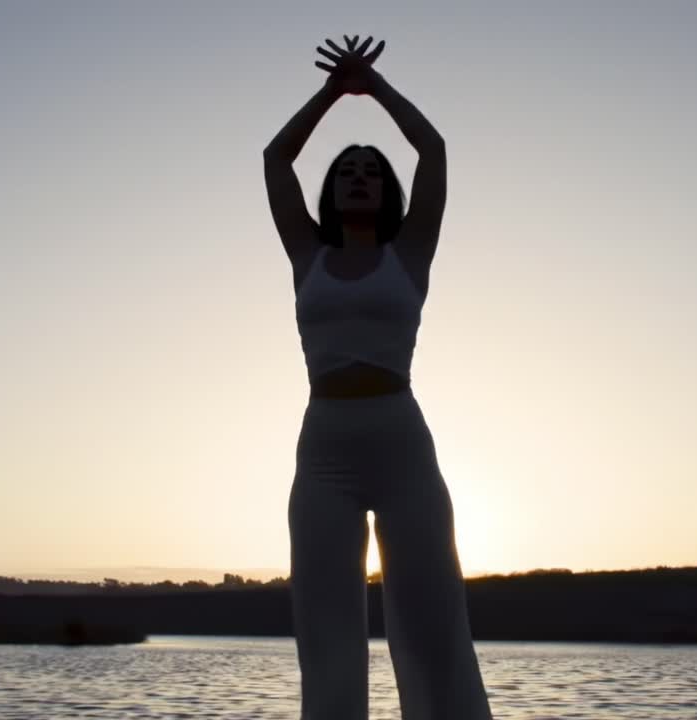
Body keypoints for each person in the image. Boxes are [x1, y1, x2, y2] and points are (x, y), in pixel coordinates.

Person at [263, 35, 494, 720]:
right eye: (346, 171)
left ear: (387, 190)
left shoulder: (410, 251)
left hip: (401, 443)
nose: (359, 176)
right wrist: (332, 94)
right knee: (326, 629)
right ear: (330, 192)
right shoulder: (306, 253)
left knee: (431, 622)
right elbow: (276, 158)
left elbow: (434, 151)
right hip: (325, 448)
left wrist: (376, 88)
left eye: (371, 170)